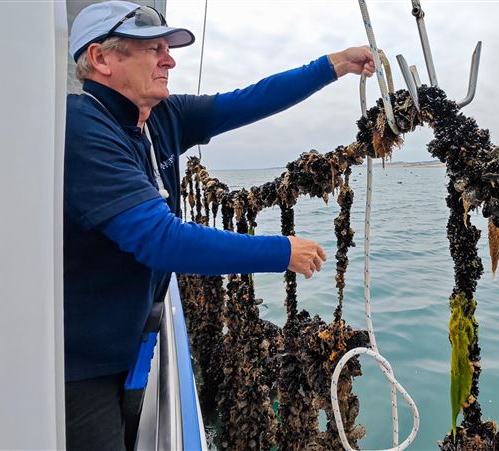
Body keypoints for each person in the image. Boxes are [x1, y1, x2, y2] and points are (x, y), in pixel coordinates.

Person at [63, 1, 375, 449]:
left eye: (167, 49)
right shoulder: (83, 128)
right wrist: (280, 252)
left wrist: (335, 65)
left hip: (131, 345)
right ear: (101, 59)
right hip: (83, 366)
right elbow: (159, 240)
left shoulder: (160, 118)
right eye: (153, 49)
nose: (169, 58)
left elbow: (250, 100)